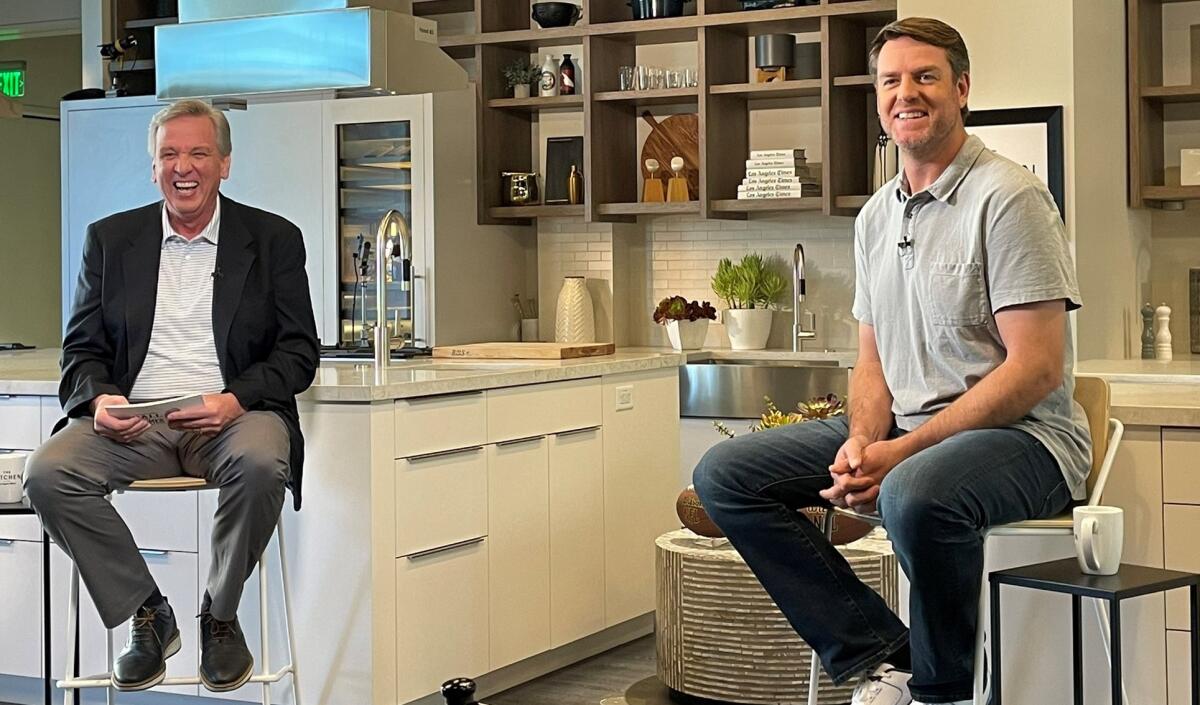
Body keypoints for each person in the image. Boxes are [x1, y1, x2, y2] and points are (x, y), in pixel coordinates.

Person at [693, 17, 1090, 705]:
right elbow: (871, 364)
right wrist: (861, 440)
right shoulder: (877, 216)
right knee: (725, 474)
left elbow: (1036, 370)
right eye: (891, 80)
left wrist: (901, 453)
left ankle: (944, 690)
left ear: (962, 89)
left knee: (913, 492)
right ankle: (887, 653)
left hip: (1025, 440)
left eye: (925, 76)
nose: (906, 92)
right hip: (915, 431)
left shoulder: (1009, 199)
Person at [24, 99, 319, 693]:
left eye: (198, 153)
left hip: (233, 416)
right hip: (138, 423)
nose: (183, 167)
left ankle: (220, 614)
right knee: (48, 472)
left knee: (265, 459)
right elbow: (80, 353)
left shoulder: (273, 239)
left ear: (225, 163)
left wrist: (234, 400)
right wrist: (100, 400)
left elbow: (298, 353)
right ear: (153, 166)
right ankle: (148, 614)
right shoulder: (110, 240)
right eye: (169, 154)